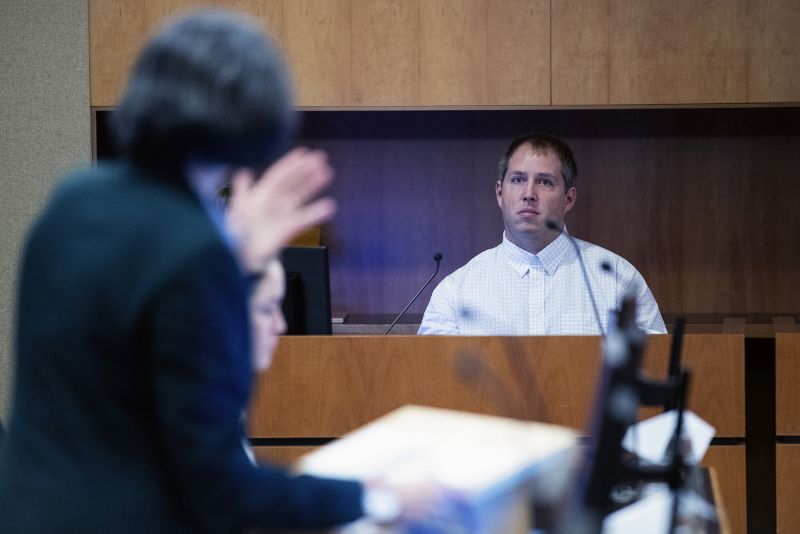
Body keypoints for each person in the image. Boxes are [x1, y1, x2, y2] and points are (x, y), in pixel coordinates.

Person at [0, 10, 430, 533]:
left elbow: (121, 381)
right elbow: (223, 491)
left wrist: (233, 261)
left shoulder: (71, 201)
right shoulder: (196, 253)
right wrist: (374, 498)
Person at [419, 132, 666, 336]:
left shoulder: (618, 281)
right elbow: (430, 384)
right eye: (517, 179)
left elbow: (654, 369)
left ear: (569, 199)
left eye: (545, 182)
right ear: (499, 194)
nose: (529, 193)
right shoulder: (455, 292)